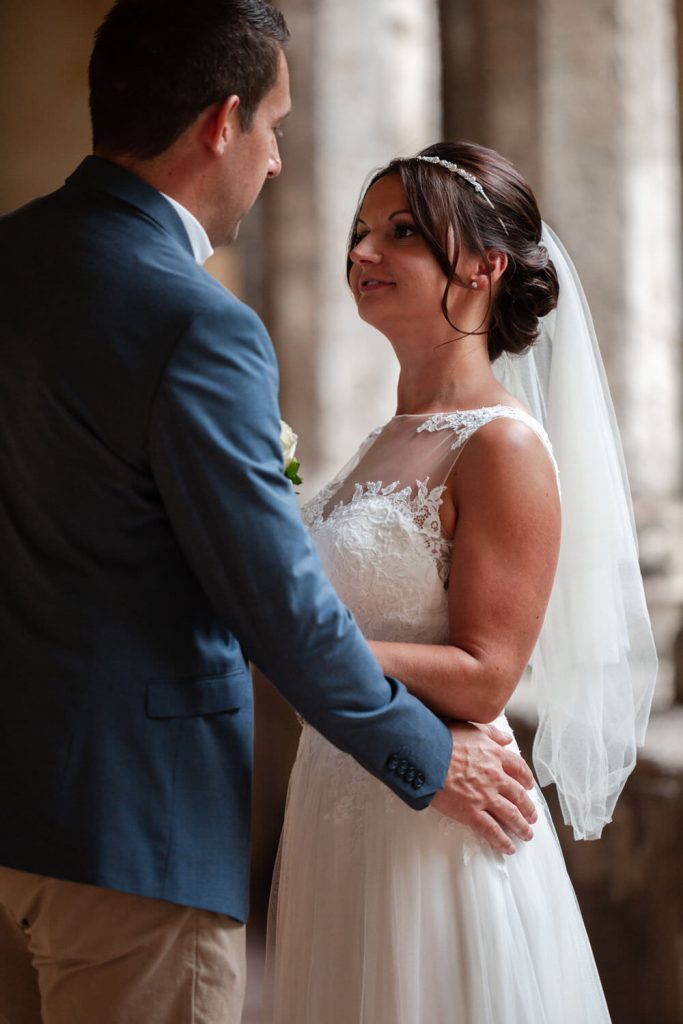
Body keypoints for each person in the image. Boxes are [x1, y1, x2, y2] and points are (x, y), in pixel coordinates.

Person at [0, 6, 539, 1022]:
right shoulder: (197, 323)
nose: (280, 160)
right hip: (136, 837)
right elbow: (275, 607)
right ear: (220, 123)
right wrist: (427, 758)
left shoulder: (15, 257)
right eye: (275, 126)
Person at [265, 142, 658, 1022]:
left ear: (483, 266)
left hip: (435, 826)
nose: (361, 253)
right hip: (343, 798)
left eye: (401, 232)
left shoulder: (501, 446)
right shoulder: (387, 437)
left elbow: (488, 673)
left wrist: (306, 650)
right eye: (361, 232)